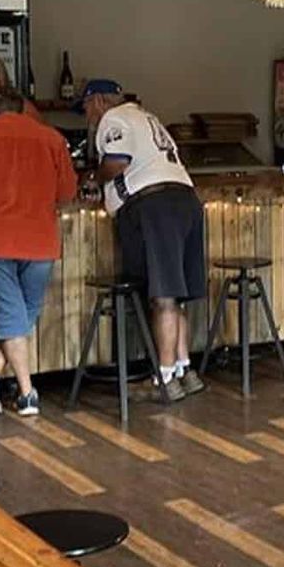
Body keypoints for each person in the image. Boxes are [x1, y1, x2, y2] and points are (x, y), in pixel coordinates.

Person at [0, 87, 77, 416]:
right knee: (22, 312)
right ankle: (12, 384)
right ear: (21, 109)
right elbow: (67, 191)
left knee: (11, 314)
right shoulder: (51, 138)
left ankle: (21, 390)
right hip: (39, 238)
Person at [81, 79, 205, 402]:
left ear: (98, 101)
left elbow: (118, 161)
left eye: (86, 106)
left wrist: (93, 177)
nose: (86, 113)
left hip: (153, 206)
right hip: (186, 201)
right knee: (176, 295)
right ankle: (183, 370)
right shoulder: (146, 116)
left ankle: (163, 380)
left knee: (163, 295)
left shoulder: (114, 119)